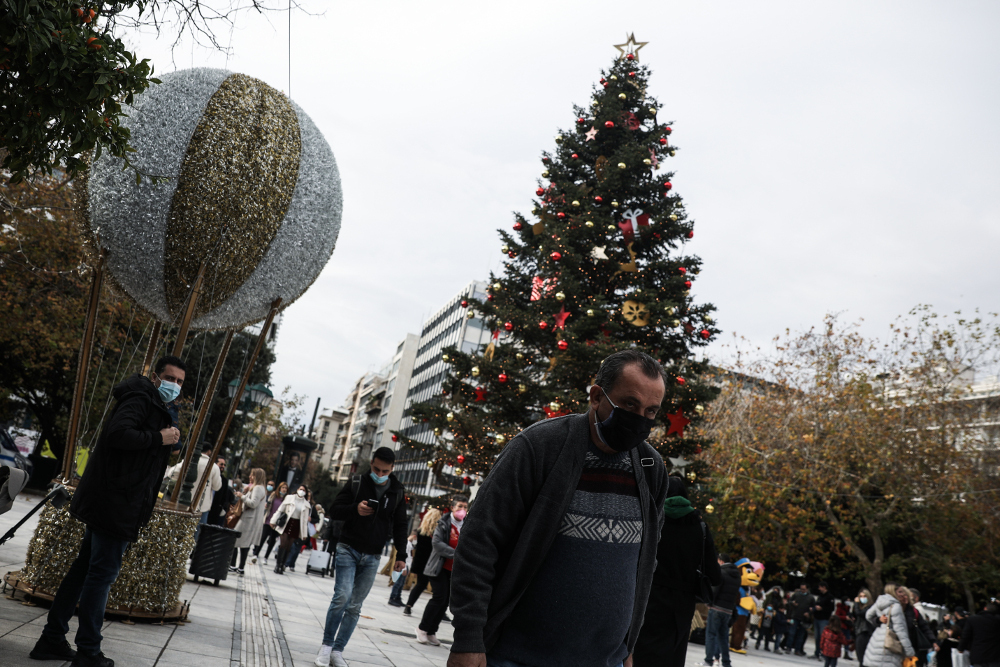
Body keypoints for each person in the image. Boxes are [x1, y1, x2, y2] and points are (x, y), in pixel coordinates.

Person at [444, 350, 669, 667]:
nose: (639, 419)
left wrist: (628, 646)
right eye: (630, 405)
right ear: (596, 396)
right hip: (513, 658)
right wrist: (468, 639)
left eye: (650, 411)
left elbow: (645, 563)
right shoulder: (539, 447)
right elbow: (479, 541)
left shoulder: (650, 468)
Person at [30, 356, 185, 667]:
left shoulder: (154, 404)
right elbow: (118, 434)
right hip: (117, 502)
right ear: (155, 377)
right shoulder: (141, 399)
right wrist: (159, 437)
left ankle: (52, 638)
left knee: (83, 571)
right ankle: (88, 651)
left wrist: (168, 440)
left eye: (180, 381)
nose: (175, 385)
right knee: (101, 576)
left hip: (116, 499)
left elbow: (139, 451)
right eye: (170, 378)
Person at [314, 447, 408, 667]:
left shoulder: (397, 491)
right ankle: (326, 646)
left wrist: (401, 555)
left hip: (373, 555)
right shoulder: (357, 481)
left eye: (385, 471)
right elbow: (335, 510)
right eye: (376, 469)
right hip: (348, 548)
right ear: (371, 464)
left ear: (392, 469)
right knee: (342, 597)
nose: (380, 474)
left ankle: (338, 651)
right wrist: (355, 508)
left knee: (355, 606)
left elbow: (401, 525)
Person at [633, 476, 721, 667]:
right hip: (681, 605)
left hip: (648, 597)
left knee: (641, 652)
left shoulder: (652, 519)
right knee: (671, 656)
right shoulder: (699, 528)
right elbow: (714, 575)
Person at [416, 496, 469, 646]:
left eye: (465, 507)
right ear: (452, 508)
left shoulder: (467, 525)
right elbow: (437, 543)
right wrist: (457, 554)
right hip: (438, 567)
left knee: (445, 601)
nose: (462, 510)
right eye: (459, 506)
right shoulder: (443, 523)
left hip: (454, 570)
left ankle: (432, 631)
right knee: (439, 597)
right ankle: (422, 628)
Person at [166, 440, 221, 539]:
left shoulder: (190, 460)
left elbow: (171, 473)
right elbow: (217, 487)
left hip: (183, 502)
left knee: (177, 531)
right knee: (194, 535)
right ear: (209, 451)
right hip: (202, 506)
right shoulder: (213, 467)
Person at [701, 554, 741, 667]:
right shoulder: (737, 576)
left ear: (721, 561)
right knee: (723, 637)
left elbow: (715, 590)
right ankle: (726, 662)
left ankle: (708, 660)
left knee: (711, 635)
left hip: (716, 608)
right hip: (728, 610)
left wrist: (708, 603)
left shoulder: (721, 572)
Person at [863, 584, 915, 667]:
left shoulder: (880, 601)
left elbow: (868, 615)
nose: (902, 594)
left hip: (877, 640)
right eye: (900, 592)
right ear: (893, 592)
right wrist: (909, 651)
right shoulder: (896, 606)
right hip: (889, 645)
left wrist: (878, 620)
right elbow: (900, 630)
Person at [403, 507, 441, 616]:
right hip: (431, 563)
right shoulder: (437, 533)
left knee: (420, 585)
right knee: (439, 588)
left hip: (420, 562)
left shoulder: (420, 532)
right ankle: (440, 611)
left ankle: (408, 606)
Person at [230, 468, 267, 574]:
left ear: (257, 477)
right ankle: (240, 567)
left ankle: (235, 566)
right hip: (249, 519)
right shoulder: (258, 488)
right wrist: (245, 492)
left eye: (252, 475)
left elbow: (253, 504)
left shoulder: (258, 488)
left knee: (236, 540)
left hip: (249, 520)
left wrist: (242, 496)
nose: (250, 477)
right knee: (243, 544)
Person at [270, 484, 312, 575]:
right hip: (287, 523)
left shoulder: (306, 505)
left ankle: (282, 565)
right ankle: (278, 565)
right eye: (300, 489)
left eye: (304, 490)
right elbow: (280, 510)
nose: (302, 491)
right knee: (283, 544)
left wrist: (304, 534)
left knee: (289, 547)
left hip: (296, 525)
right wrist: (273, 520)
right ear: (297, 489)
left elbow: (304, 521)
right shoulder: (289, 498)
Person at [956, 601, 999, 667]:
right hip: (995, 656)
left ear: (985, 608)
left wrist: (961, 648)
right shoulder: (997, 620)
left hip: (978, 655)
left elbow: (965, 636)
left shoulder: (973, 619)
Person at [253, 481, 287, 564]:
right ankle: (255, 554)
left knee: (272, 541)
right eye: (283, 487)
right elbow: (268, 504)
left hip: (277, 523)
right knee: (262, 538)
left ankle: (266, 557)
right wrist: (266, 506)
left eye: (285, 488)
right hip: (268, 519)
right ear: (279, 488)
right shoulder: (274, 495)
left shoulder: (286, 499)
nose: (284, 489)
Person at [389, 530, 418, 607]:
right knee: (398, 583)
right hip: (404, 566)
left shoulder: (410, 545)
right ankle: (393, 597)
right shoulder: (407, 544)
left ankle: (398, 597)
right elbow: (405, 557)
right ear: (414, 537)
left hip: (407, 566)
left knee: (402, 583)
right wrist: (404, 568)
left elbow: (410, 558)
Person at [788, 583, 816, 656]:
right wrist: (792, 603)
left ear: (807, 589)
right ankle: (788, 648)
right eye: (801, 589)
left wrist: (809, 613)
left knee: (800, 635)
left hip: (804, 619)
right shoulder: (796, 594)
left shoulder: (811, 597)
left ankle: (797, 650)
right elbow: (789, 601)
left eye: (804, 589)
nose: (802, 590)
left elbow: (813, 608)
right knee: (791, 633)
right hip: (795, 616)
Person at [209, 456, 236, 526]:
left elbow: (224, 496)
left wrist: (222, 508)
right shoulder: (208, 476)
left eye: (224, 465)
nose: (223, 466)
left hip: (215, 510)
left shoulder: (224, 480)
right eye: (221, 464)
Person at [853, 589, 876, 667]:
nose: (862, 598)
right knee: (860, 656)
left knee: (862, 657)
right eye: (861, 596)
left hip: (865, 632)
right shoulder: (861, 607)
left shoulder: (869, 607)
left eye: (864, 596)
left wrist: (856, 603)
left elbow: (859, 613)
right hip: (859, 632)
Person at [814, 582, 835, 659]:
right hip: (817, 618)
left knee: (823, 637)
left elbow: (831, 608)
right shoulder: (820, 596)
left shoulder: (830, 597)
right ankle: (817, 652)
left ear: (824, 587)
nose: (819, 589)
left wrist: (822, 608)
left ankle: (823, 653)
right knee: (817, 637)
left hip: (824, 619)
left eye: (820, 587)